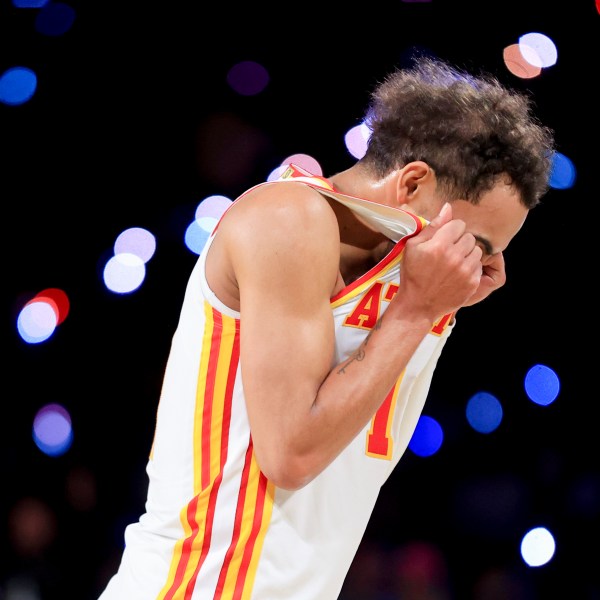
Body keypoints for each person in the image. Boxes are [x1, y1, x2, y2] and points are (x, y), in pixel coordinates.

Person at [97, 56, 555, 599]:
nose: (476, 270)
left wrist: (427, 306)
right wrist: (415, 312)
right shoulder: (288, 219)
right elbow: (291, 455)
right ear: (412, 183)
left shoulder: (411, 273)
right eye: (474, 246)